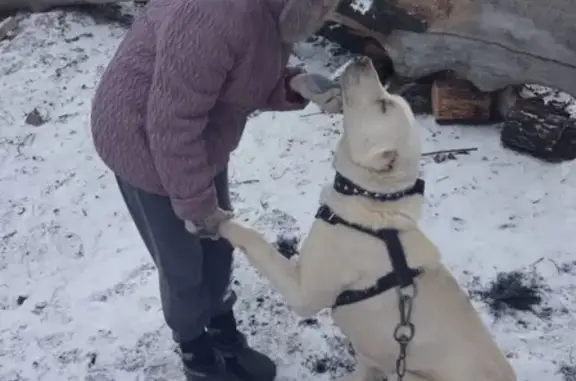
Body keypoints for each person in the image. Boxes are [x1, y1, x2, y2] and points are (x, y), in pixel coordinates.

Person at [90, 0, 342, 380]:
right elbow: (172, 122)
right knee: (182, 263)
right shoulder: (210, 17)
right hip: (143, 139)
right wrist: (194, 203)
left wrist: (291, 84)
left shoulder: (274, 12)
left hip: (198, 135)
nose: (327, 15)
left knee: (218, 244)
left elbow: (239, 77)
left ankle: (224, 334)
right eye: (322, 6)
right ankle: (198, 356)